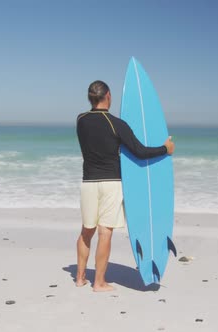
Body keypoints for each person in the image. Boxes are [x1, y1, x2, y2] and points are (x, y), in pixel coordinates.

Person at [75, 80, 175, 292]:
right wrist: (165, 149)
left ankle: (80, 277)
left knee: (86, 231)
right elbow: (140, 151)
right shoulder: (116, 124)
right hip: (111, 183)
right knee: (105, 233)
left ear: (90, 98)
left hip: (88, 183)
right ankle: (99, 282)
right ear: (108, 96)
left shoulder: (80, 120)